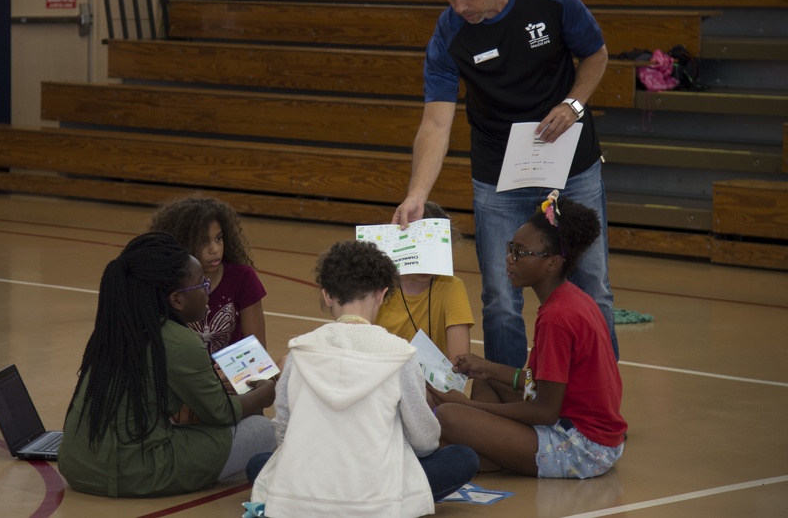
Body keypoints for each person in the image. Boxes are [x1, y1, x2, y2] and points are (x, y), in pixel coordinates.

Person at [392, 0, 619, 369]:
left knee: (593, 285)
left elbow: (596, 54)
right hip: (499, 173)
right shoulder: (449, 36)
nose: (461, 7)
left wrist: (573, 104)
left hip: (571, 163)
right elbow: (435, 123)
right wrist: (417, 194)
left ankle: (597, 396)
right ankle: (506, 396)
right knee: (500, 295)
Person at [247, 240, 479, 517]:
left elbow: (284, 433)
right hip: (376, 498)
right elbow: (425, 441)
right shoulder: (401, 355)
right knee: (463, 458)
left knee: (259, 464)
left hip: (307, 493)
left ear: (327, 296)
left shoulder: (298, 351)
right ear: (382, 294)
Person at [57, 232, 276, 497]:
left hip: (77, 466)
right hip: (133, 472)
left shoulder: (117, 327)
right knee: (263, 431)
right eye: (201, 284)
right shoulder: (179, 341)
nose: (207, 290)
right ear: (177, 300)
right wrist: (266, 393)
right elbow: (221, 413)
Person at [429, 192, 626, 479]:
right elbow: (546, 386)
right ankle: (491, 454)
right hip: (573, 424)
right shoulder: (570, 298)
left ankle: (488, 454)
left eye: (520, 253)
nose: (509, 259)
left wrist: (469, 406)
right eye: (511, 248)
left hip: (583, 449)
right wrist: (488, 368)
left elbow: (545, 411)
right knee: (487, 381)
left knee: (449, 415)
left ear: (552, 263)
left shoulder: (558, 318)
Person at [147, 196, 267, 355]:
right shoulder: (164, 281)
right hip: (184, 367)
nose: (215, 249)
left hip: (232, 368)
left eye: (218, 238)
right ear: (181, 243)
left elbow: (257, 352)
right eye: (203, 241)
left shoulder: (242, 277)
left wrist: (231, 367)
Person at [374, 201, 474, 365]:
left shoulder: (451, 287)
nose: (426, 263)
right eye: (418, 250)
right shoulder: (377, 286)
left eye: (433, 252)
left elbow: (458, 362)